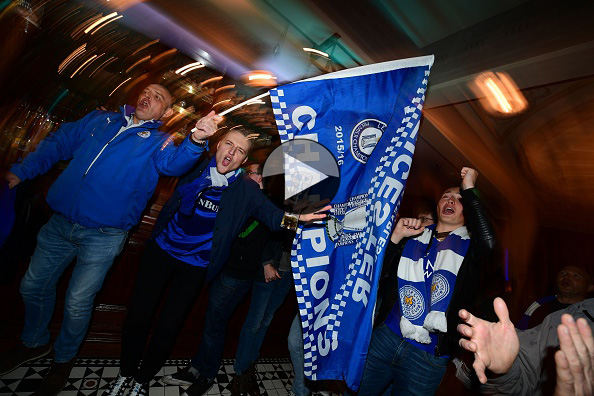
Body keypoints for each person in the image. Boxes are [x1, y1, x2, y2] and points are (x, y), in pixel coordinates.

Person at [0, 84, 217, 395]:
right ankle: (34, 342)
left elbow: (175, 163)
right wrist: (21, 172)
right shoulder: (100, 120)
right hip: (59, 224)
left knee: (76, 302)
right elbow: (58, 144)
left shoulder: (160, 141)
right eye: (147, 91)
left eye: (159, 98)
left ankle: (63, 360)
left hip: (104, 236)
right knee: (32, 285)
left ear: (167, 112)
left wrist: (197, 138)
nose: (148, 97)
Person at [105, 129, 329, 396]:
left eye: (240, 151)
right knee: (138, 316)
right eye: (229, 145)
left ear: (243, 160)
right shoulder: (197, 164)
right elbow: (175, 161)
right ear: (218, 145)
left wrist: (297, 220)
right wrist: (196, 138)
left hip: (196, 265)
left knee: (168, 325)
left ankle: (141, 380)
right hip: (161, 252)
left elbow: (270, 215)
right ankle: (126, 372)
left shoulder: (245, 188)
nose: (232, 153)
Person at [357, 167, 496, 395]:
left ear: (468, 210)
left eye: (460, 199)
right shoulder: (414, 234)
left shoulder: (470, 250)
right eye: (446, 196)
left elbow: (489, 243)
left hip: (427, 356)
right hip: (386, 337)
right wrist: (396, 238)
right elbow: (378, 276)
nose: (451, 199)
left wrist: (470, 188)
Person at [160, 163, 284, 396]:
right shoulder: (245, 197)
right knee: (210, 323)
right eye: (248, 172)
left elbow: (244, 235)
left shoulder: (263, 204)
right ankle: (196, 369)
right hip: (224, 270)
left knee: (214, 327)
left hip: (237, 277)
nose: (247, 176)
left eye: (253, 172)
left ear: (262, 179)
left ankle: (206, 375)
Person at [457, 297, 594, 395]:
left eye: (576, 276)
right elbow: (524, 383)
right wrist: (505, 369)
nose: (567, 277)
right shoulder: (568, 315)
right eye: (564, 272)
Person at [517, 266, 594, 330]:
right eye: (562, 273)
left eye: (576, 276)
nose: (566, 277)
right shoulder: (538, 306)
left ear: (590, 287)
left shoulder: (591, 313)